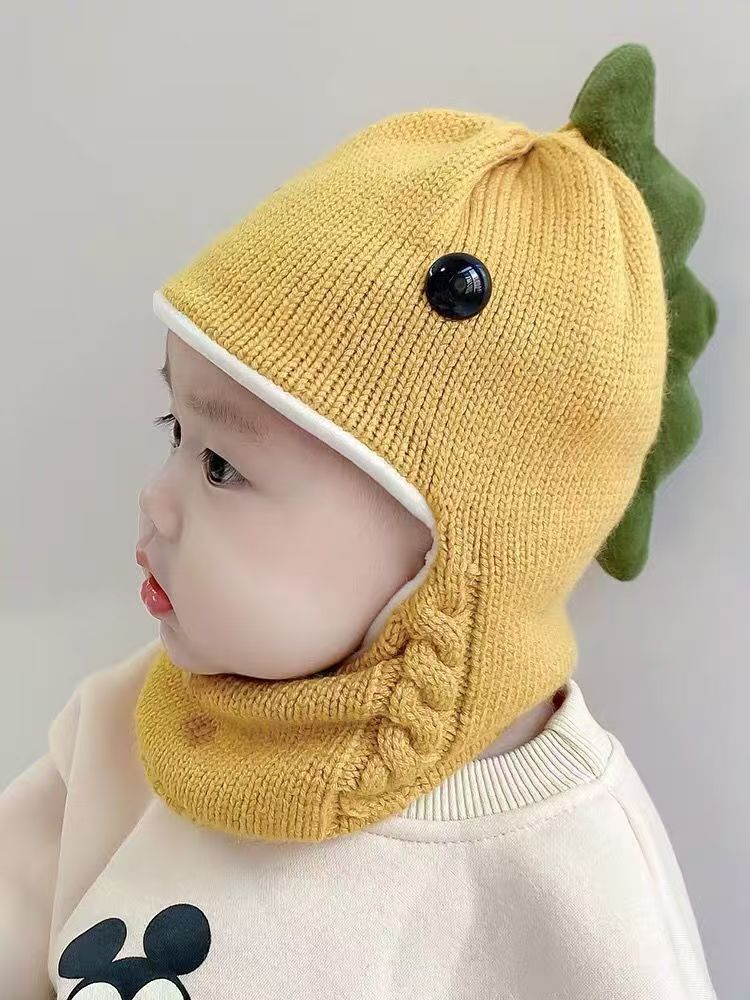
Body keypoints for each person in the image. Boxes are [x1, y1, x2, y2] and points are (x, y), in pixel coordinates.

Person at [0, 42, 718, 999]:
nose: (153, 499)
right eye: (175, 429)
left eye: (221, 465)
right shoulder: (122, 733)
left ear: (453, 552)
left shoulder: (572, 872)